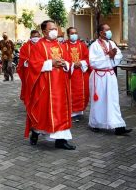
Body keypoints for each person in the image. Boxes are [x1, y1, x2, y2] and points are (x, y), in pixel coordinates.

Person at [26, 20, 75, 150]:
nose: (55, 31)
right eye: (51, 29)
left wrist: (66, 65)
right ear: (44, 32)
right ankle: (35, 132)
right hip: (46, 86)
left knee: (61, 111)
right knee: (43, 113)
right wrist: (50, 63)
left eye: (55, 28)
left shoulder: (60, 45)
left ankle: (61, 141)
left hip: (61, 85)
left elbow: (68, 61)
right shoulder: (39, 46)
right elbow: (34, 65)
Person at [88, 23, 132, 135]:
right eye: (107, 30)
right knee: (99, 101)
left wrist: (113, 56)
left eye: (109, 29)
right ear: (101, 33)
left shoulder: (112, 43)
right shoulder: (94, 46)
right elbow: (93, 62)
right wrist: (108, 56)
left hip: (110, 76)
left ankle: (118, 126)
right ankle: (95, 123)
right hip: (99, 76)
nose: (109, 32)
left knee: (113, 101)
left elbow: (119, 55)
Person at [64, 27, 90, 122]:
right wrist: (72, 64)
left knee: (83, 92)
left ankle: (79, 112)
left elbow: (88, 58)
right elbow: (62, 59)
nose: (74, 35)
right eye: (72, 33)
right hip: (70, 74)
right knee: (71, 93)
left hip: (81, 73)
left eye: (75, 33)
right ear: (68, 35)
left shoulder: (82, 45)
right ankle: (71, 112)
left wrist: (82, 63)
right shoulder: (64, 46)